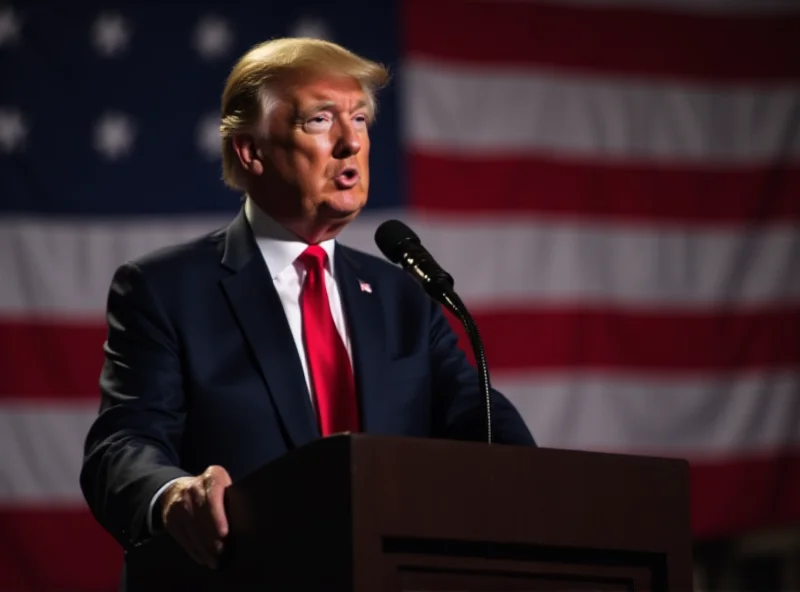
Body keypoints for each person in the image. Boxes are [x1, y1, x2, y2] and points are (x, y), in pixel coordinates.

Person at [80, 37, 534, 585]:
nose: (351, 144)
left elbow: (484, 427)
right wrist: (173, 494)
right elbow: (122, 446)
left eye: (360, 119)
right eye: (320, 120)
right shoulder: (164, 289)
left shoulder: (403, 296)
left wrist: (550, 491)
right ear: (251, 151)